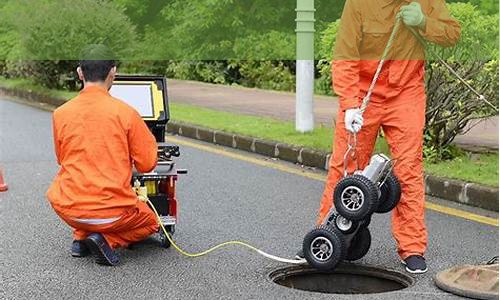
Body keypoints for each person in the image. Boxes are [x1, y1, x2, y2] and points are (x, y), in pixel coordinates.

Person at [297, 1, 460, 274]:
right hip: (363, 94)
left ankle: (412, 248)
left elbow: (452, 34)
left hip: (406, 94)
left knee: (408, 170)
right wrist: (349, 104)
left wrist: (423, 21)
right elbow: (345, 53)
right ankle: (326, 236)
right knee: (346, 168)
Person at [46, 45, 159, 266]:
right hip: (112, 213)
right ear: (113, 72)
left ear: (80, 73)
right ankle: (105, 239)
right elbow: (147, 164)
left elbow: (63, 159)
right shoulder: (126, 113)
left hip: (68, 209)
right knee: (151, 222)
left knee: (84, 195)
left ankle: (81, 237)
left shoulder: (60, 113)